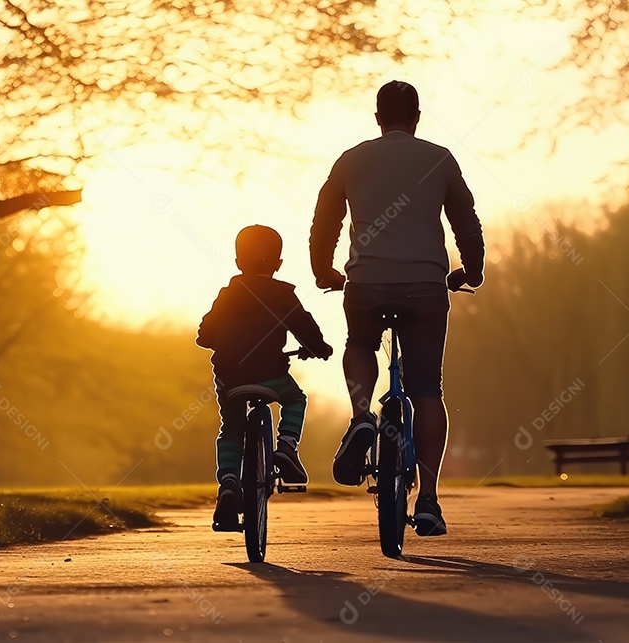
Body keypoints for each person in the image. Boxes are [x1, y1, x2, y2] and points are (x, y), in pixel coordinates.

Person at [310, 80, 485, 537]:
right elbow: (465, 219)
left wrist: (323, 270)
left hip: (366, 281)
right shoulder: (439, 158)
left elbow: (325, 217)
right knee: (427, 390)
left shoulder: (351, 159)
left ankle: (363, 416)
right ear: (418, 118)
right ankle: (428, 500)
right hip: (426, 286)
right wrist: (472, 271)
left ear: (377, 118)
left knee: (360, 344)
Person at [197, 224, 333, 532]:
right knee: (296, 399)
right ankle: (285, 446)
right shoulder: (284, 294)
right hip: (271, 373)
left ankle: (229, 481)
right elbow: (305, 327)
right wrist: (318, 348)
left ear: (237, 263)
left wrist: (219, 340)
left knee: (231, 427)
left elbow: (205, 333)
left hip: (230, 376)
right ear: (278, 264)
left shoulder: (229, 293)